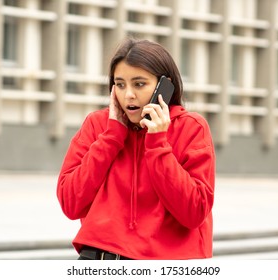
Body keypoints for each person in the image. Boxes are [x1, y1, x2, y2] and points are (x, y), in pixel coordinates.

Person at [56, 38, 215, 260]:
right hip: (99, 258)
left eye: (139, 84)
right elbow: (70, 203)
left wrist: (158, 142)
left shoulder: (191, 128)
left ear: (164, 87)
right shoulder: (97, 125)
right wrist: (111, 137)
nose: (128, 94)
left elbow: (194, 212)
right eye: (120, 84)